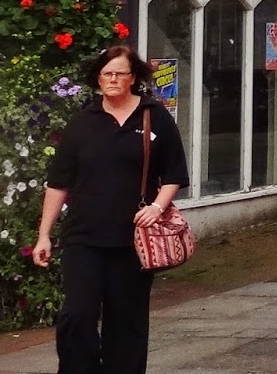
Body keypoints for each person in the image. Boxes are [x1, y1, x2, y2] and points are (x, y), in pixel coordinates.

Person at [33, 45, 189, 374]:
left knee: (126, 323)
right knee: (76, 316)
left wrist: (157, 207)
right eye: (107, 74)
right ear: (98, 78)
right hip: (83, 238)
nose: (113, 79)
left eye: (120, 73)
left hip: (134, 241)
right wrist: (44, 235)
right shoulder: (82, 123)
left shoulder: (154, 115)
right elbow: (58, 183)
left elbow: (175, 173)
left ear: (133, 77)